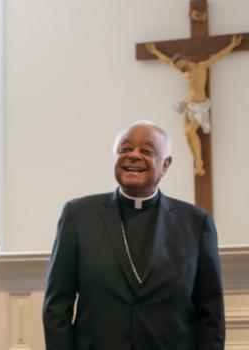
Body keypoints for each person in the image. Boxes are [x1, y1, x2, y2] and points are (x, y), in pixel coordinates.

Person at [43, 121, 224, 349]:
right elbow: (57, 304)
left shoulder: (196, 223)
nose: (133, 156)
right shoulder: (78, 216)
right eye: (125, 149)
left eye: (147, 151)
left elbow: (211, 312)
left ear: (165, 164)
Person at [146, 35, 242, 176]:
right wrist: (155, 52)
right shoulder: (186, 73)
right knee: (187, 136)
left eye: (180, 64)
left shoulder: (201, 66)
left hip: (200, 107)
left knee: (189, 132)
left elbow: (218, 57)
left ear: (185, 60)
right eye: (178, 66)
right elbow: (167, 61)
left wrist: (232, 45)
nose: (180, 68)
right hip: (187, 106)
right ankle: (197, 163)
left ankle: (199, 162)